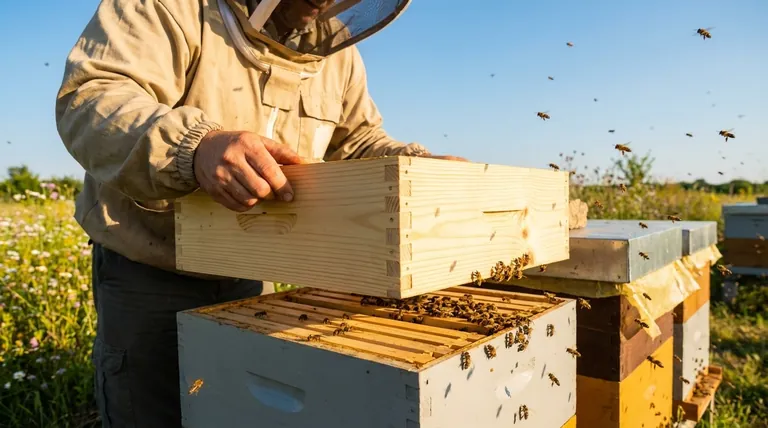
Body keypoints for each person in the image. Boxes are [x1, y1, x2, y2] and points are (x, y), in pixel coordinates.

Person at [55, 0, 466, 426]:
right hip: (150, 266)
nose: (323, 4)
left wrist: (417, 165)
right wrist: (195, 147)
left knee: (243, 406)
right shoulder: (170, 7)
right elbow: (92, 99)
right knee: (150, 408)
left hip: (253, 269)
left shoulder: (339, 56)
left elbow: (358, 142)